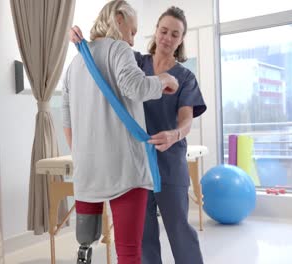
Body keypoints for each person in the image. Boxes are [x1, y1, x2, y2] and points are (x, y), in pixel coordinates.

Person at [70, 6, 207, 264]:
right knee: (142, 236)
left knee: (179, 230)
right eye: (163, 31)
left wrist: (175, 135)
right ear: (155, 31)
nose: (167, 38)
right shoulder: (133, 60)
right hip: (134, 163)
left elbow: (186, 120)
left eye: (175, 34)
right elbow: (103, 54)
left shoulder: (185, 77)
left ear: (181, 40)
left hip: (168, 161)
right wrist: (81, 42)